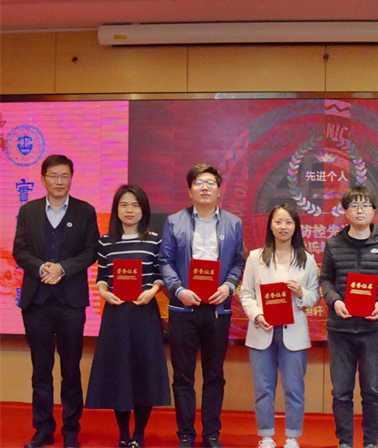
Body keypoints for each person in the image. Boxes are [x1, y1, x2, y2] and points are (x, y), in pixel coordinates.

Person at [13, 154, 99, 448]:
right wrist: (41, 268)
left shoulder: (85, 211)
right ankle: (43, 429)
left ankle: (71, 430)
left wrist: (63, 268)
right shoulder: (29, 210)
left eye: (64, 176)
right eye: (53, 176)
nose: (59, 181)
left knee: (71, 369)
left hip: (70, 303)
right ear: (43, 179)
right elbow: (20, 251)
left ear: (71, 178)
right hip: (36, 302)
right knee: (41, 369)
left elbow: (91, 251)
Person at [159, 164, 245, 448]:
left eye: (210, 182)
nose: (205, 187)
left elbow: (238, 262)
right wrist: (178, 290)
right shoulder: (174, 221)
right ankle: (185, 434)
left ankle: (211, 434)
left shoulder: (233, 223)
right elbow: (165, 261)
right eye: (198, 182)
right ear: (190, 191)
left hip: (218, 309)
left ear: (219, 190)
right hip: (184, 309)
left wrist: (228, 286)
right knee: (183, 375)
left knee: (214, 375)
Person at [85, 184, 171, 448]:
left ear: (143, 209)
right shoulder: (105, 241)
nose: (129, 210)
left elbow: (159, 275)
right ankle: (123, 435)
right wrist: (103, 291)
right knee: (119, 372)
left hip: (145, 314)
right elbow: (102, 275)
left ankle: (139, 435)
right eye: (124, 205)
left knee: (143, 372)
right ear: (116, 209)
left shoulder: (154, 239)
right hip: (116, 315)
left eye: (135, 205)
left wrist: (153, 290)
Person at [320, 185, 378, 448]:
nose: (360, 210)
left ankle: (370, 442)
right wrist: (335, 300)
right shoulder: (333, 244)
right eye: (354, 205)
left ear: (374, 211)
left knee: (372, 391)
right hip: (340, 330)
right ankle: (345, 442)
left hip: (373, 330)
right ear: (345, 212)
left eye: (365, 205)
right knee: (341, 391)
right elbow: (326, 279)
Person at [239, 204, 319, 448]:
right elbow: (246, 294)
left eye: (288, 222)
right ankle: (266, 436)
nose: (283, 227)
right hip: (262, 331)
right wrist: (256, 315)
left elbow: (314, 297)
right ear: (270, 226)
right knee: (263, 388)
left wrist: (301, 292)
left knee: (294, 389)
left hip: (294, 334)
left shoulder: (307, 259)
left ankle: (292, 437)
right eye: (278, 222)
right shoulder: (256, 257)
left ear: (296, 226)